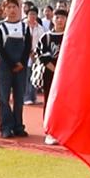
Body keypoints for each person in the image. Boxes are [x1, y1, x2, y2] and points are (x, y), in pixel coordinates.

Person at [0, 0, 32, 138]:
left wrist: (22, 62)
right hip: (5, 66)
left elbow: (28, 46)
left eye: (14, 7)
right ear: (4, 10)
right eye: (9, 7)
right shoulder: (0, 27)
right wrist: (12, 64)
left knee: (19, 97)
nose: (12, 10)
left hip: (21, 67)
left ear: (19, 8)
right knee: (3, 97)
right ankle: (5, 127)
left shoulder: (25, 27)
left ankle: (18, 126)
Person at [37, 9, 67, 145]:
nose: (59, 20)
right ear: (52, 19)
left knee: (66, 103)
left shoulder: (70, 35)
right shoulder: (46, 37)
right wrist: (56, 71)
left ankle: (64, 131)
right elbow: (42, 56)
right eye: (57, 17)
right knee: (49, 101)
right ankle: (50, 131)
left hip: (67, 75)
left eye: (62, 17)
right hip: (50, 75)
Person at [23, 7, 46, 105]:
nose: (32, 16)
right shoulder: (23, 26)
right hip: (25, 54)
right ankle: (26, 97)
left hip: (36, 55)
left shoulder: (40, 28)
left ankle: (33, 96)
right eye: (30, 14)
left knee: (35, 75)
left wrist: (36, 52)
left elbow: (42, 41)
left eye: (34, 14)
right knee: (27, 76)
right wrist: (28, 51)